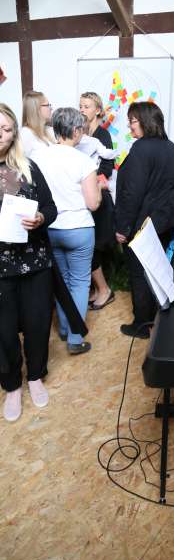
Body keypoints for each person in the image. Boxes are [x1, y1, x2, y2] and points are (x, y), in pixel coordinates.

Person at [0, 103, 57, 422]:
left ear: (14, 134)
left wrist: (40, 218)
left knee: (37, 325)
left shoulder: (28, 167)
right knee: (4, 332)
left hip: (34, 262)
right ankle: (11, 385)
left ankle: (35, 376)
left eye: (7, 129)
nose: (1, 135)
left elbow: (51, 207)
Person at [32, 107, 101, 355]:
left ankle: (62, 328)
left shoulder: (39, 157)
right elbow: (93, 203)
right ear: (74, 130)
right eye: (81, 128)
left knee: (62, 282)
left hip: (49, 228)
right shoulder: (83, 161)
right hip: (78, 229)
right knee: (81, 283)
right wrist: (100, 192)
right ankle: (74, 337)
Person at [115, 101, 174, 338]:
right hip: (164, 220)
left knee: (139, 273)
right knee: (155, 269)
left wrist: (123, 227)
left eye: (133, 121)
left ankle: (142, 325)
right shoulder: (170, 147)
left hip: (142, 224)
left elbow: (133, 193)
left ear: (145, 121)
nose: (130, 126)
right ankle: (156, 318)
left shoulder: (141, 148)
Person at [79, 92, 115, 311]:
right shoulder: (78, 133)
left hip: (98, 199)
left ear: (98, 110)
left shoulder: (103, 136)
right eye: (81, 106)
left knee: (93, 248)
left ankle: (104, 290)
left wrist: (88, 183)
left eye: (87, 106)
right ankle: (95, 289)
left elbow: (106, 170)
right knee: (87, 247)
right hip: (83, 198)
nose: (82, 109)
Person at [20, 90, 55, 159]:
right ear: (36, 108)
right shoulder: (26, 133)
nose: (51, 108)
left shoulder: (50, 130)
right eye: (48, 105)